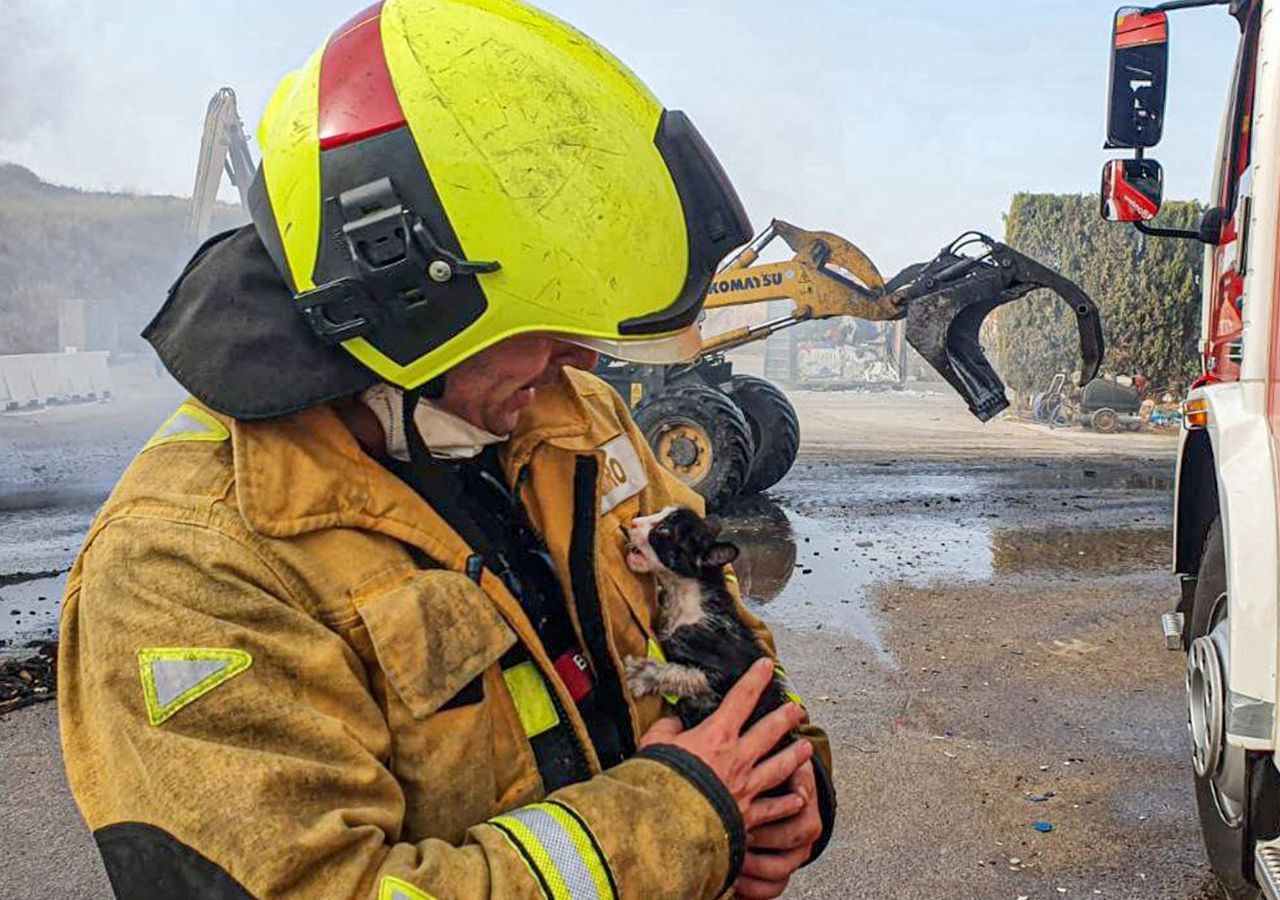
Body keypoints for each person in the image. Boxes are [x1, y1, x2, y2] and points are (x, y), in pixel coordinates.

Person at [55, 2, 834, 898]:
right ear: (405, 300)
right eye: (544, 327)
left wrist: (789, 778)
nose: (581, 363)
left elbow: (724, 624)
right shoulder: (187, 561)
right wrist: (682, 820)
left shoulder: (573, 416)